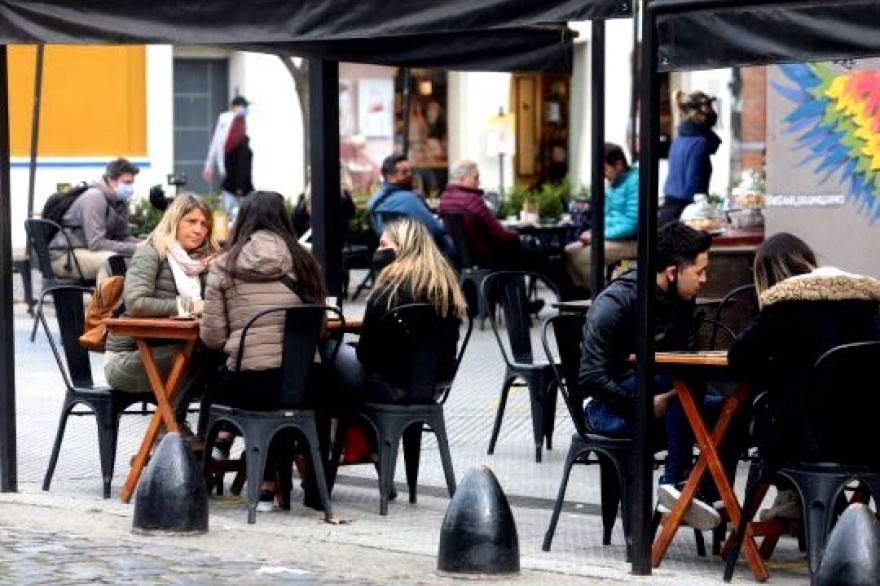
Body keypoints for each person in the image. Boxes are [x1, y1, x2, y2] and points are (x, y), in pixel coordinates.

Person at [578, 221, 725, 531]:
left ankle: (709, 493)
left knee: (728, 412)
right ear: (671, 272)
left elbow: (685, 365)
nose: (705, 280)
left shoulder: (682, 300)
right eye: (698, 272)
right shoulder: (614, 304)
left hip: (668, 403)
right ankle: (676, 482)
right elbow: (589, 377)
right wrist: (643, 402)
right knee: (671, 387)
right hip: (611, 409)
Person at [728, 233, 880, 521]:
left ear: (768, 276)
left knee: (738, 410)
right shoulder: (866, 301)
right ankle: (797, 502)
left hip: (810, 441)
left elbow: (738, 358)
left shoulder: (786, 303)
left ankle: (715, 496)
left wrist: (778, 367)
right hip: (869, 436)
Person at [200, 190, 328, 512]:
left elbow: (213, 338)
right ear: (284, 218)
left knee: (217, 380)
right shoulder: (306, 261)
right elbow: (321, 328)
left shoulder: (224, 265)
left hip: (250, 384)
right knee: (284, 389)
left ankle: (217, 448)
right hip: (304, 385)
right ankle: (273, 485)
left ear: (241, 220)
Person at [104, 193, 219, 430]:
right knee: (201, 354)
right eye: (191, 221)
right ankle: (169, 428)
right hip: (129, 359)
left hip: (175, 351)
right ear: (175, 220)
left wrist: (220, 273)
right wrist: (189, 306)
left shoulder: (203, 262)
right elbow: (136, 302)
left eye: (204, 224)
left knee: (222, 357)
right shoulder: (152, 251)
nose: (199, 230)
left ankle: (209, 440)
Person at [326, 216, 465, 404]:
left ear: (403, 248)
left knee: (328, 350)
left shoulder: (388, 293)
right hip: (436, 386)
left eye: (383, 245)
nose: (377, 251)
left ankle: (343, 429)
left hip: (389, 387)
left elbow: (366, 356)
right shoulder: (446, 288)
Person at [438, 159, 581, 300]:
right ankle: (569, 295)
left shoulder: (446, 199)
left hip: (471, 258)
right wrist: (517, 235)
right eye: (476, 177)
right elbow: (499, 234)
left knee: (536, 255)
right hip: (493, 256)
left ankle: (524, 305)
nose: (478, 181)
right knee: (545, 255)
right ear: (463, 178)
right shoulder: (472, 200)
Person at [49, 158, 143, 283]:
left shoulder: (119, 203)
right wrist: (135, 247)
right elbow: (96, 243)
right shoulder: (94, 197)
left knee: (141, 258)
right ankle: (104, 302)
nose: (130, 188)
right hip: (64, 256)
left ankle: (131, 301)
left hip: (86, 251)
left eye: (131, 183)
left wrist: (146, 244)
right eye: (126, 182)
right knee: (112, 261)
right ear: (111, 180)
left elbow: (123, 237)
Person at [565, 143, 638, 291]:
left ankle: (605, 297)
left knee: (582, 257)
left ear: (618, 164)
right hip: (613, 238)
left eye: (604, 169)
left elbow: (633, 224)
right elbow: (607, 218)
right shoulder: (613, 183)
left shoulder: (635, 182)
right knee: (569, 251)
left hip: (632, 241)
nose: (603, 174)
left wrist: (598, 236)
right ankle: (585, 295)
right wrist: (593, 233)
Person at [366, 154, 453, 258]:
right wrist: (450, 222)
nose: (410, 175)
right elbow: (435, 229)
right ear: (390, 177)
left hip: (393, 254)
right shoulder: (407, 199)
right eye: (404, 172)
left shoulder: (376, 198)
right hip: (423, 256)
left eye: (410, 171)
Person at [660, 91, 722, 226]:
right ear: (696, 113)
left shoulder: (679, 139)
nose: (712, 112)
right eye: (708, 107)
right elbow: (694, 186)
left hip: (670, 209)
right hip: (684, 213)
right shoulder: (700, 143)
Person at [203, 95, 254, 219]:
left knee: (234, 213)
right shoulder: (228, 120)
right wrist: (209, 167)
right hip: (232, 176)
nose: (245, 109)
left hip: (237, 179)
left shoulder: (242, 122)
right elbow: (216, 144)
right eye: (243, 107)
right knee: (233, 214)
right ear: (234, 107)